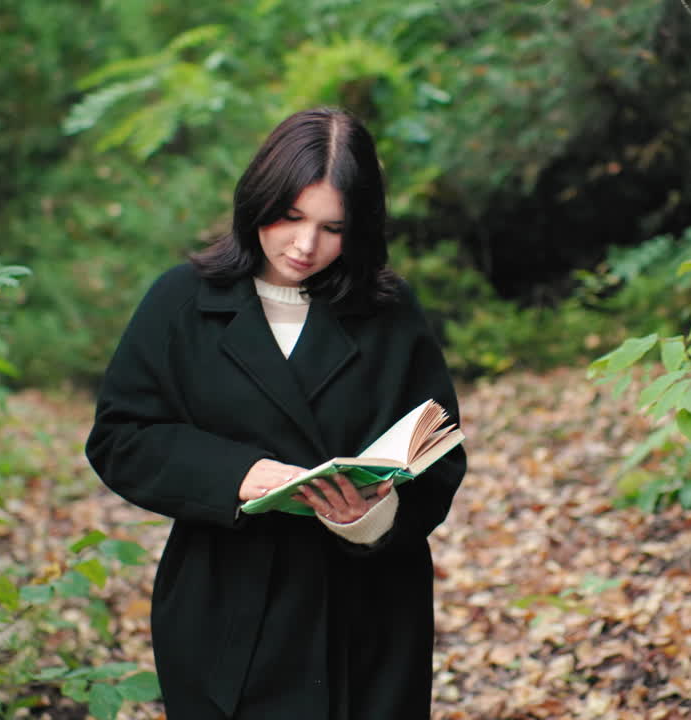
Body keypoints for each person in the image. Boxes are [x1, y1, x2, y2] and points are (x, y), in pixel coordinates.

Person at [85, 107, 467, 720]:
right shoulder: (181, 301)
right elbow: (120, 438)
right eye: (290, 217)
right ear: (257, 198)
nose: (305, 245)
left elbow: (441, 448)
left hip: (369, 612)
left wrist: (373, 517)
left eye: (332, 227)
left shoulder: (389, 311)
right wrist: (235, 474)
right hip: (228, 608)